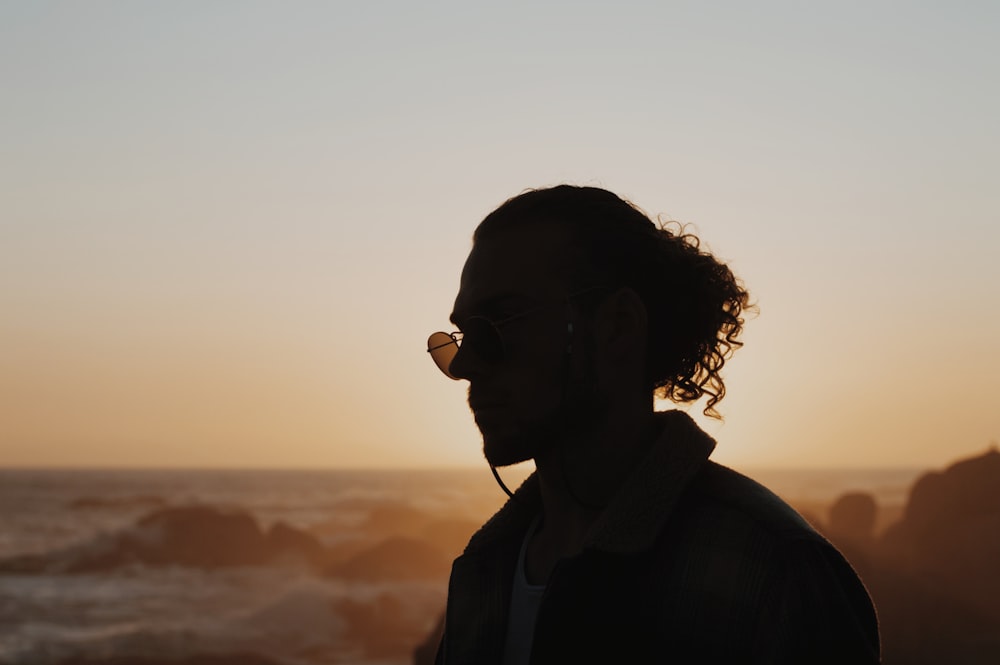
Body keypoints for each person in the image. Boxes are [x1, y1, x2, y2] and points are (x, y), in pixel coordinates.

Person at [425, 185, 880, 664]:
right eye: (460, 335)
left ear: (617, 325)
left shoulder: (773, 571)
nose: (466, 365)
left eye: (497, 324)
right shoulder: (486, 568)